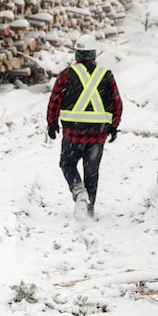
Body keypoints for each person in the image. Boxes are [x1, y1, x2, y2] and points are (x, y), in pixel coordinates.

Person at [46, 33, 122, 220]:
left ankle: (79, 192)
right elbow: (116, 103)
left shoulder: (66, 75)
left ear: (77, 55)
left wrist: (52, 124)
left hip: (73, 134)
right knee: (92, 171)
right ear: (93, 55)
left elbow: (54, 101)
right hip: (97, 136)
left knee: (67, 163)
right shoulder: (106, 76)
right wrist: (113, 126)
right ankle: (89, 210)